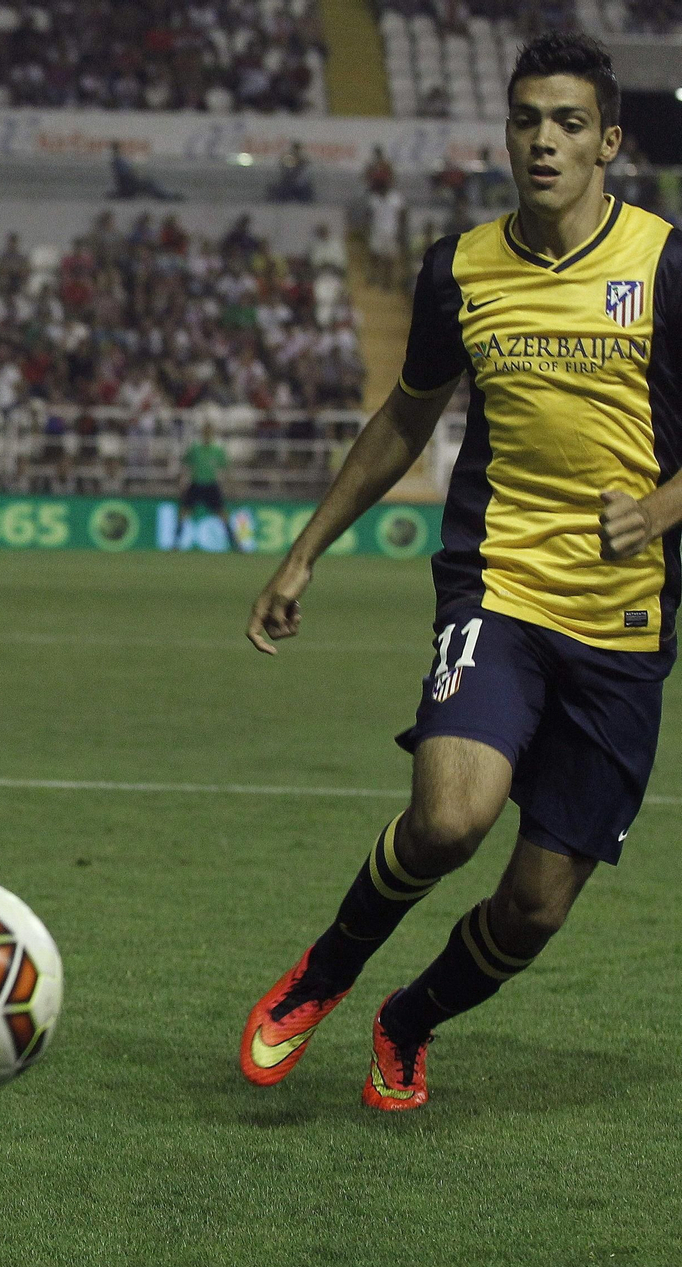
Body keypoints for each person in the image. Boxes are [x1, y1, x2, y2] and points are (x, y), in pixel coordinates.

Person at [241, 33, 682, 1113]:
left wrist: (662, 507)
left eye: (569, 123)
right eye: (527, 118)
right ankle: (327, 969)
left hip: (622, 625)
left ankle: (409, 1017)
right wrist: (304, 551)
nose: (544, 140)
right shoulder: (461, 267)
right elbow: (403, 419)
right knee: (447, 818)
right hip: (497, 584)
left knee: (532, 905)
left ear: (608, 143)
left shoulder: (666, 265)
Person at [177, 423, 242, 550]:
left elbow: (226, 469)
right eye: (205, 432)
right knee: (183, 513)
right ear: (202, 434)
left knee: (223, 515)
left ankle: (234, 543)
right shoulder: (195, 449)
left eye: (209, 433)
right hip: (196, 484)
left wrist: (232, 486)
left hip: (211, 485)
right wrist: (180, 483)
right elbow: (185, 466)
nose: (207, 435)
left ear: (212, 434)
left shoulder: (217, 451)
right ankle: (176, 543)